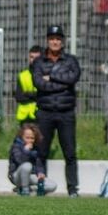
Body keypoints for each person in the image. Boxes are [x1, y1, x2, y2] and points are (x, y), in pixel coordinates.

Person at [32, 24, 81, 198]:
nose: (55, 42)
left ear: (62, 42)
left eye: (58, 39)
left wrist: (52, 77)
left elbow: (73, 78)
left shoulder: (71, 60)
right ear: (47, 41)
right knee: (41, 151)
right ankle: (40, 185)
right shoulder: (39, 62)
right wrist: (61, 84)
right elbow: (39, 83)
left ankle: (73, 189)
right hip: (45, 112)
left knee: (69, 152)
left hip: (66, 112)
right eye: (52, 39)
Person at [7, 123, 56, 196]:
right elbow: (19, 161)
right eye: (27, 137)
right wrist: (26, 151)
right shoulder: (16, 146)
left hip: (30, 176)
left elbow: (39, 163)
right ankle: (25, 191)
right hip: (17, 176)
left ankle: (28, 189)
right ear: (21, 136)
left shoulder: (35, 147)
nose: (30, 140)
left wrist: (40, 172)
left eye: (32, 138)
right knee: (27, 166)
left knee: (52, 185)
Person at [14, 45, 42, 124]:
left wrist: (28, 94)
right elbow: (19, 97)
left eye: (37, 57)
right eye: (31, 57)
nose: (34, 60)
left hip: (41, 114)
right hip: (25, 116)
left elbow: (46, 96)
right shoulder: (22, 75)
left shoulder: (45, 74)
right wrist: (36, 95)